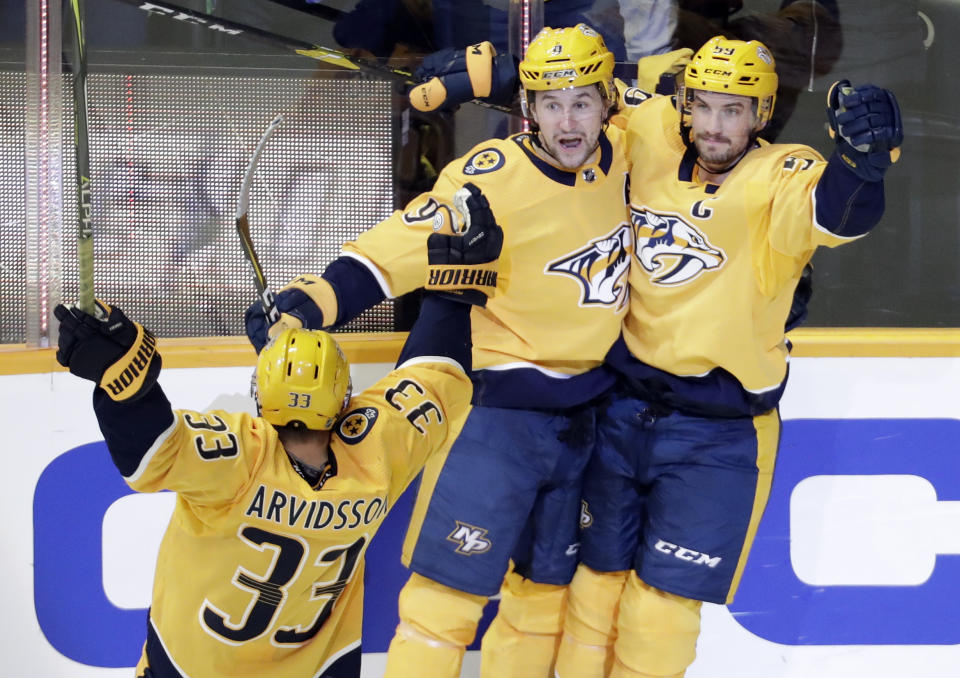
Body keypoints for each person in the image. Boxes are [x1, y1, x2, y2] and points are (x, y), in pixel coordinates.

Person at [244, 23, 631, 678]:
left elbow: (685, 109)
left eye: (583, 102)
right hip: (496, 419)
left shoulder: (627, 150)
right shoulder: (492, 177)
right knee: (445, 604)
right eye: (550, 102)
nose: (568, 121)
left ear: (606, 104)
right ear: (528, 110)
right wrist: (314, 301)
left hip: (586, 422)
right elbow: (405, 241)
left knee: (541, 599)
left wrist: (507, 69)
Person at [553, 36, 903, 677]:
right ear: (686, 103)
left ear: (761, 114)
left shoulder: (784, 173)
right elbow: (575, 86)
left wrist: (863, 161)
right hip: (620, 410)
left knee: (663, 610)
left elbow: (839, 215)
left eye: (734, 111)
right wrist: (467, 81)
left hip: (719, 434)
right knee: (592, 589)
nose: (715, 126)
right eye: (705, 107)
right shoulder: (654, 127)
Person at [52, 184, 502, 678]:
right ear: (344, 399)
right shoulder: (375, 454)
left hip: (191, 665)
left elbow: (151, 454)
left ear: (260, 394)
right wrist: (456, 295)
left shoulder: (241, 457)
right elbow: (435, 375)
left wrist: (128, 378)